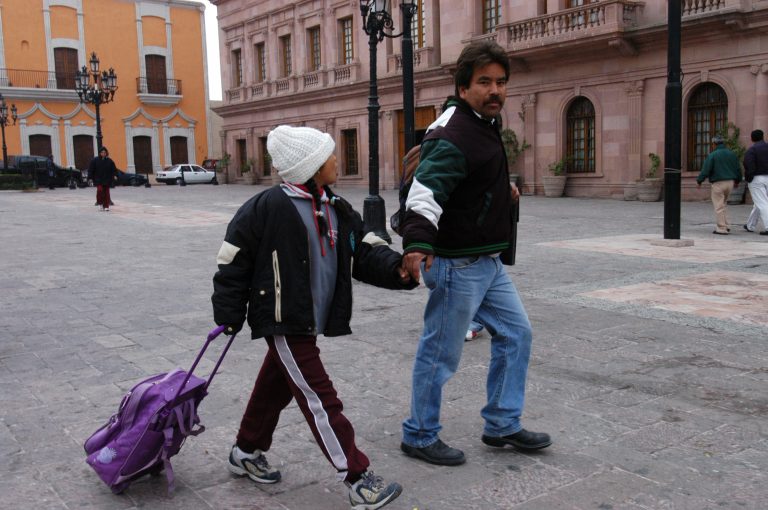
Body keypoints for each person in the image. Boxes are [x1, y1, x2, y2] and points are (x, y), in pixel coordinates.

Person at [211, 125, 415, 510]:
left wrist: (396, 270)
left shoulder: (333, 205)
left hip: (308, 320)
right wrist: (229, 312)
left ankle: (245, 449)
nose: (337, 161)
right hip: (284, 319)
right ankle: (357, 478)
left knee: (277, 384)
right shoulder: (266, 207)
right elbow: (232, 259)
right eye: (329, 156)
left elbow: (364, 247)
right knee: (320, 397)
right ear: (310, 166)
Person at [398, 40, 551, 467]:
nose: (495, 90)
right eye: (484, 81)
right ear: (463, 87)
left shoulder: (481, 122)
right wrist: (417, 244)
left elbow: (470, 181)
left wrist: (502, 193)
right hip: (456, 264)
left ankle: (502, 423)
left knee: (516, 334)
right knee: (441, 353)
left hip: (486, 261)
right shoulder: (455, 132)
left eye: (501, 81)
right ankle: (420, 434)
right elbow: (425, 194)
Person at [696, 135, 742, 235]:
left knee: (718, 206)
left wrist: (699, 180)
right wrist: (737, 181)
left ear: (714, 144)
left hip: (718, 183)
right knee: (724, 204)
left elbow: (706, 170)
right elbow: (738, 169)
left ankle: (721, 228)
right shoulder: (732, 154)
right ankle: (727, 225)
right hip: (730, 182)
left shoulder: (713, 155)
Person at [742, 129, 768, 235]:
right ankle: (750, 225)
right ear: (763, 137)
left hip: (757, 179)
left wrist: (748, 178)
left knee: (762, 203)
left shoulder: (752, 150)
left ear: (752, 138)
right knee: (759, 203)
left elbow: (749, 165)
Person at [88, 147, 116, 211]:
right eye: (102, 152)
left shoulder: (109, 161)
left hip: (107, 179)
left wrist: (115, 175)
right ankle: (100, 203)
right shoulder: (95, 160)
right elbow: (91, 170)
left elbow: (113, 169)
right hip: (98, 179)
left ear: (106, 153)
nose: (103, 153)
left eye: (104, 152)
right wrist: (90, 178)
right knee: (100, 191)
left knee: (106, 193)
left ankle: (106, 206)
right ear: (100, 153)